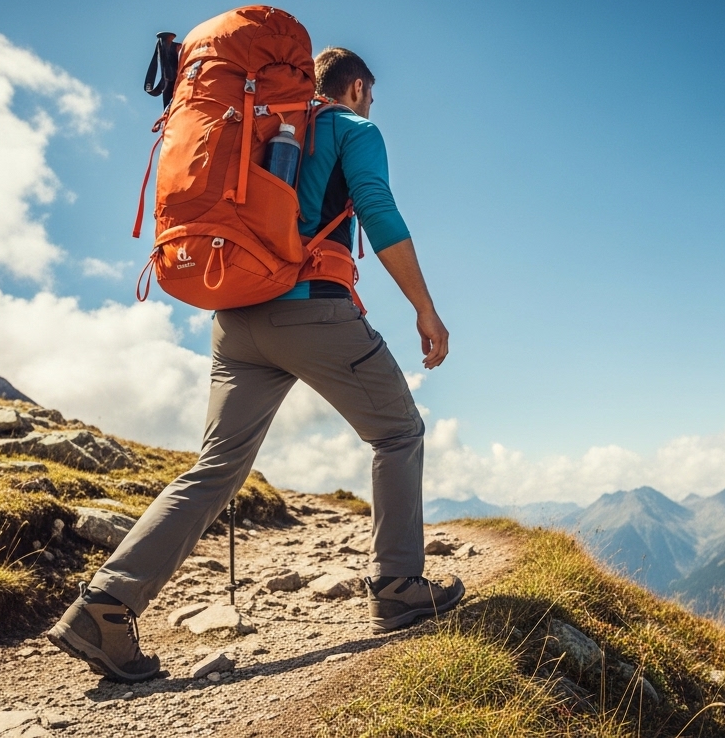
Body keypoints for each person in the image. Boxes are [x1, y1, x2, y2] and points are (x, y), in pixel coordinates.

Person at [46, 47, 464, 682]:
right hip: (312, 312)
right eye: (370, 96)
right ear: (355, 88)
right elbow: (378, 213)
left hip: (235, 320)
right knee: (398, 431)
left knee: (215, 468)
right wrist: (425, 310)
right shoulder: (353, 128)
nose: (371, 106)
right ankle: (398, 585)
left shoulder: (258, 124)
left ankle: (104, 606)